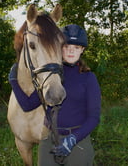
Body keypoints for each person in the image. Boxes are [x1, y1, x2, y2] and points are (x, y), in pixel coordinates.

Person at [8, 24, 101, 165]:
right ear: (58, 47)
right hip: (49, 140)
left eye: (76, 47)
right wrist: (14, 81)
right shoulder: (51, 77)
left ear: (82, 50)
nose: (71, 51)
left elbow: (94, 117)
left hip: (77, 139)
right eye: (66, 46)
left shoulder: (88, 78)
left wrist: (72, 139)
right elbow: (28, 105)